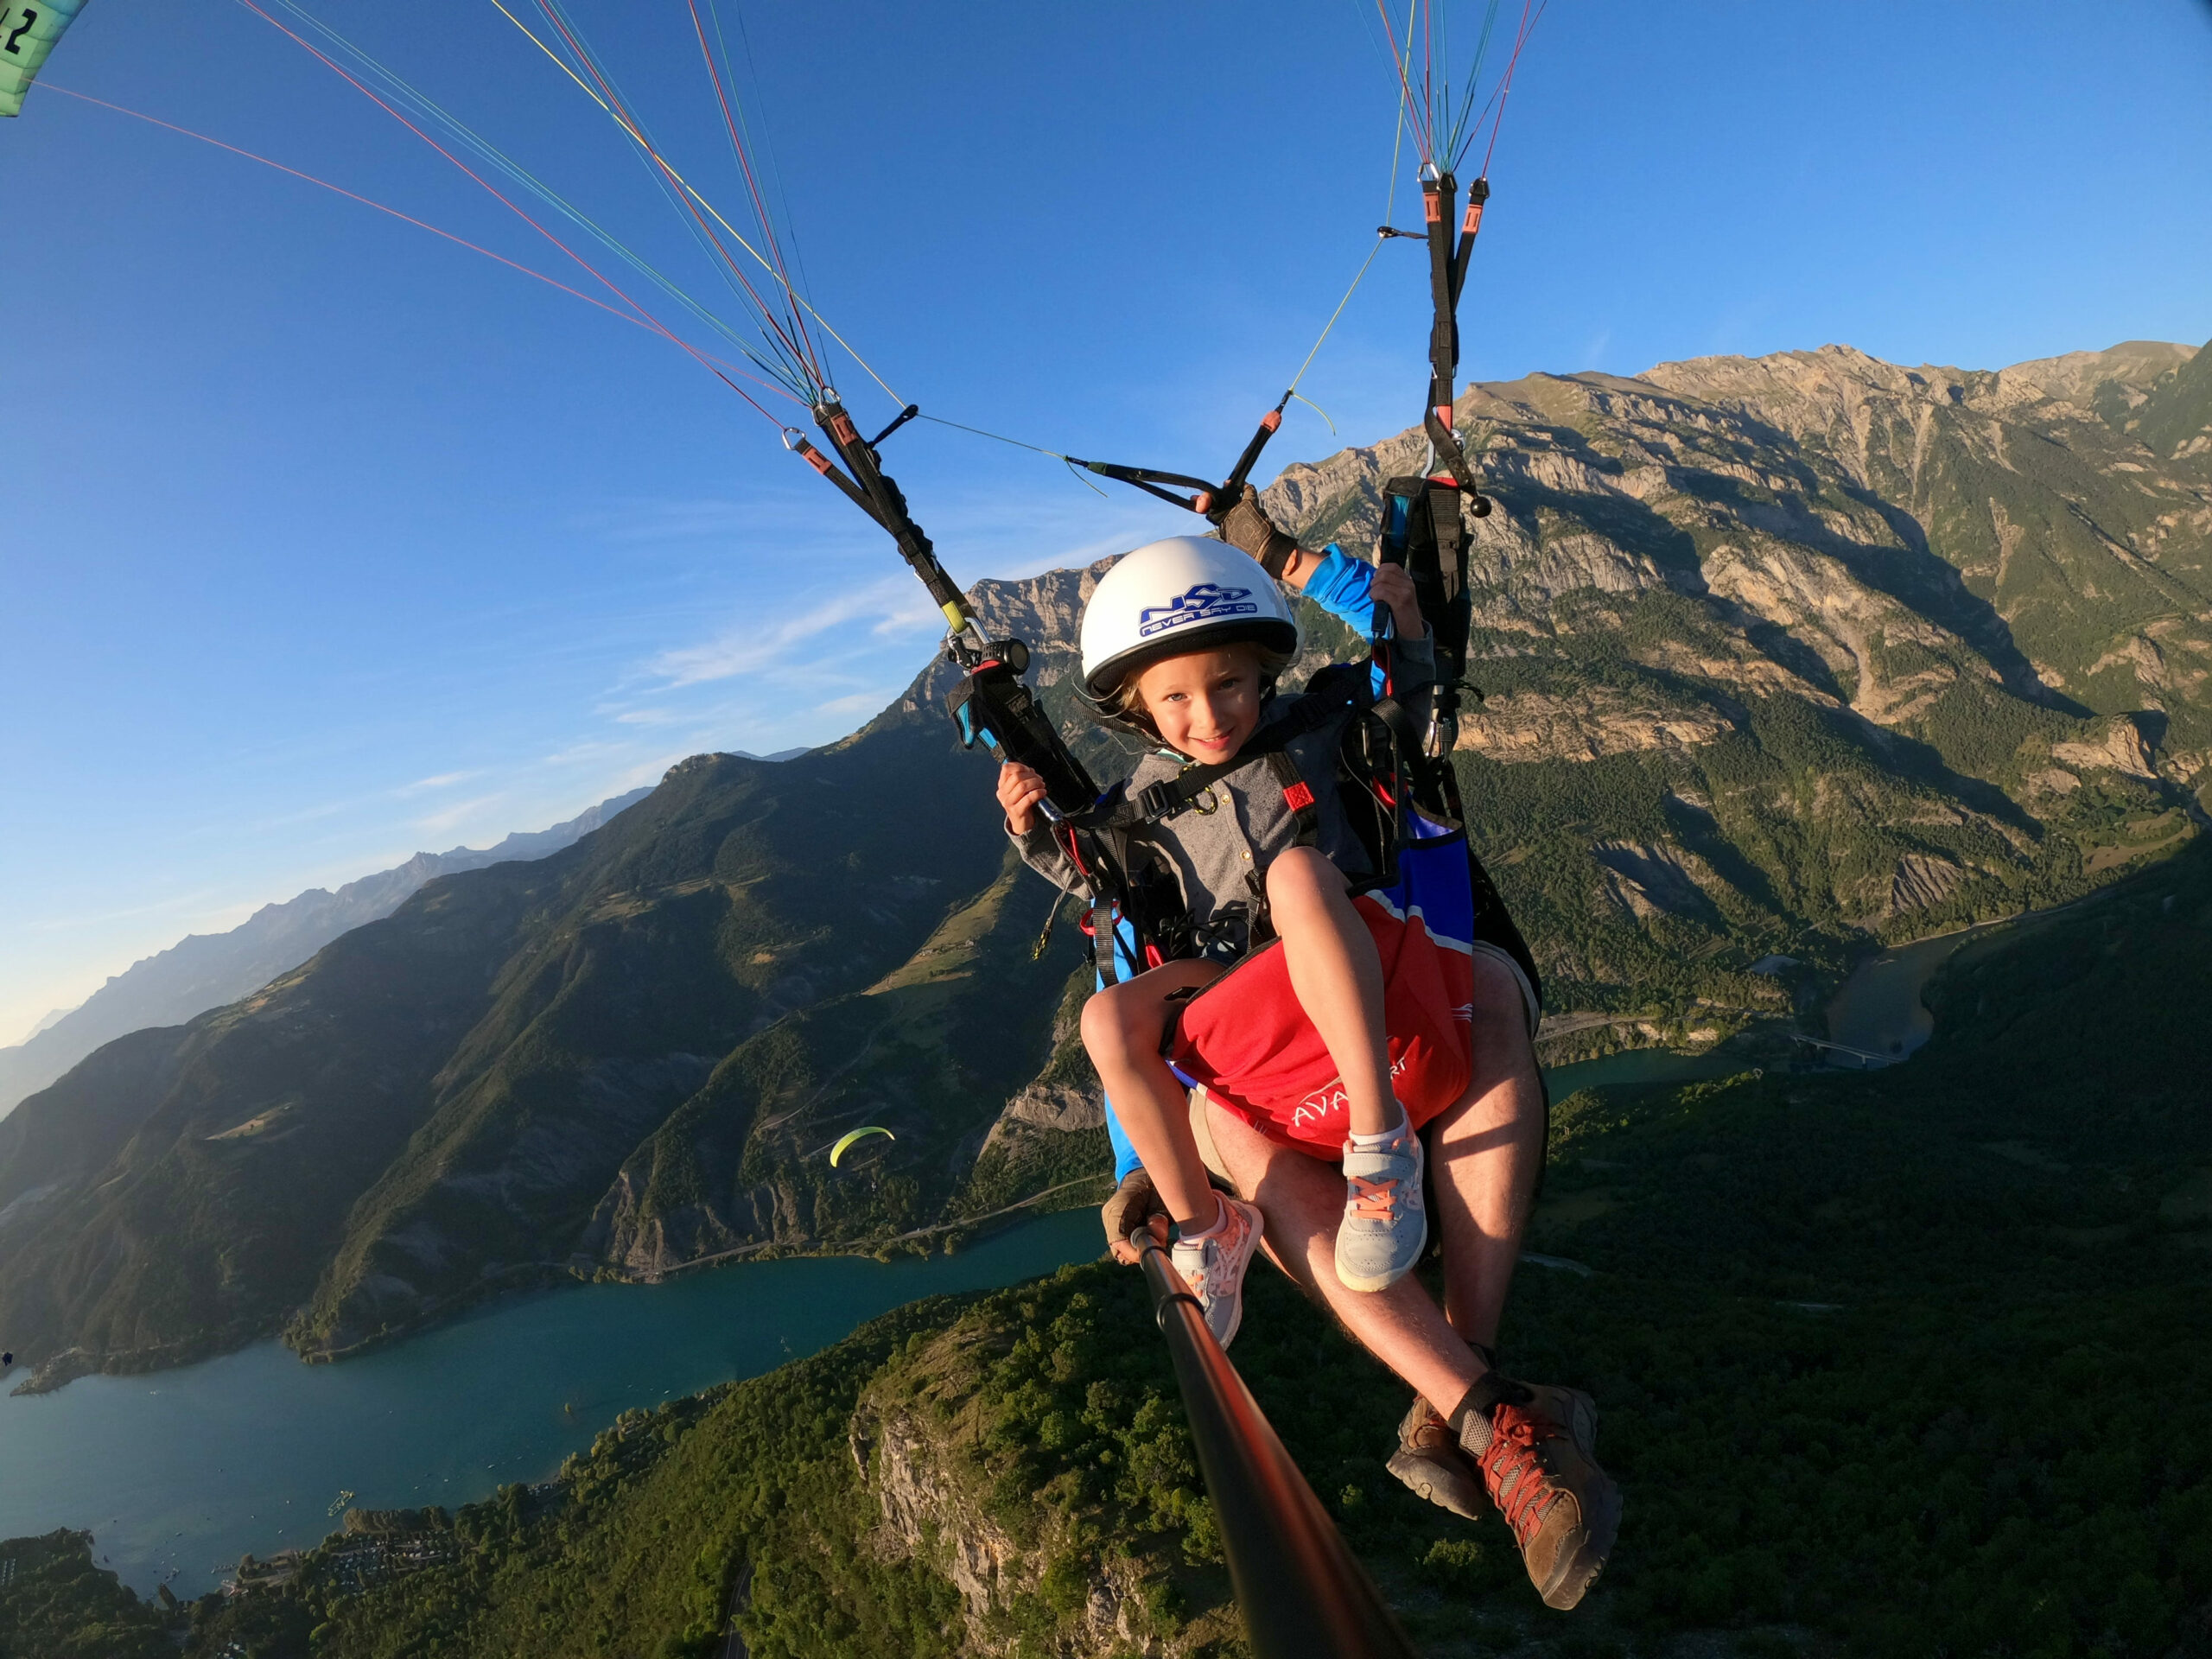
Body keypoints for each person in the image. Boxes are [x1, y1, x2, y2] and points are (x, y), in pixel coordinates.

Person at [1014, 493, 1621, 1611]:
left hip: (1371, 953)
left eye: (1233, 685)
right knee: (1163, 1071)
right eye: (1180, 700)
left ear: (1264, 674)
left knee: (1344, 902)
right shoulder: (1133, 812)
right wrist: (1134, 1164)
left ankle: (1466, 1388)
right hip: (1259, 1015)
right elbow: (1116, 950)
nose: (1210, 716)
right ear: (1141, 711)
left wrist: (1334, 578)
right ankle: (1231, 1241)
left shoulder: (1330, 720)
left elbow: (1407, 674)